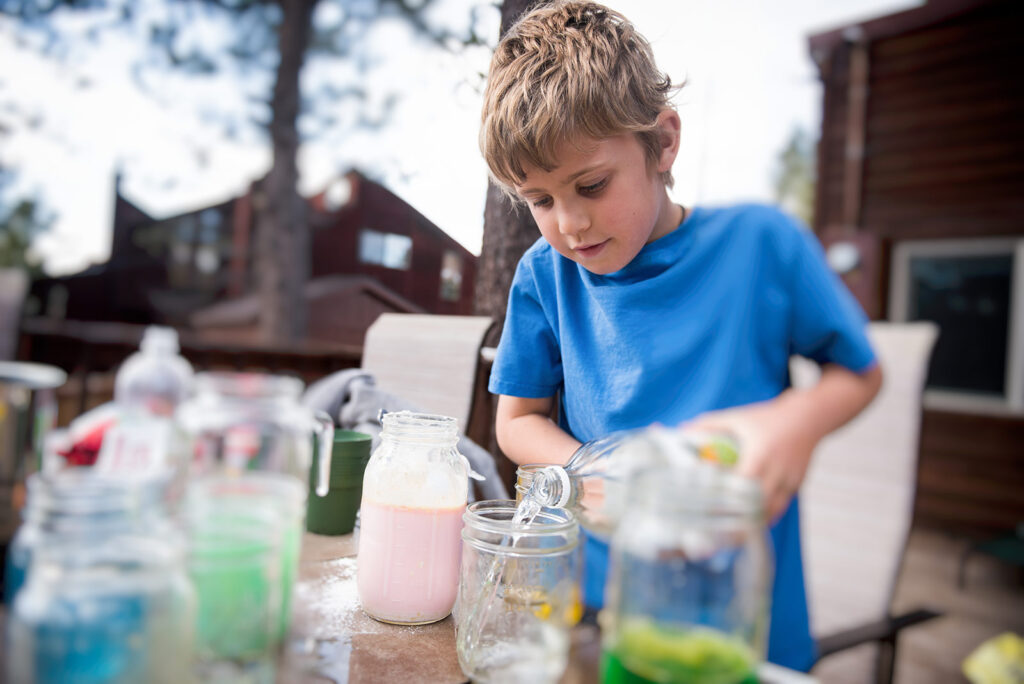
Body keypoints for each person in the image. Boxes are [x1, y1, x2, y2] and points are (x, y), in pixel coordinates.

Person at [480, 0, 883, 672]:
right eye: (540, 200)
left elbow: (859, 373)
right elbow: (516, 421)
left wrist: (795, 422)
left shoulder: (761, 245)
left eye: (591, 184)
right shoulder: (543, 277)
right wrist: (586, 469)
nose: (570, 223)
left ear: (663, 143)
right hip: (599, 607)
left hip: (740, 609)